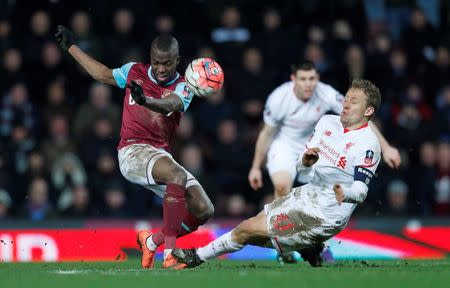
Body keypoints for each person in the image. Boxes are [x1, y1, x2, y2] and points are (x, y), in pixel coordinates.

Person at [169, 79, 383, 269]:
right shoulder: (327, 122)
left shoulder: (368, 144)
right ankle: (309, 249)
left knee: (246, 230)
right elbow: (302, 170)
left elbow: (361, 191)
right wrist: (306, 162)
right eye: (346, 98)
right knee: (251, 229)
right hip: (305, 195)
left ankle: (195, 256)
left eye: (354, 102)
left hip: (325, 215)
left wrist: (344, 192)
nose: (345, 104)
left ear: (368, 111)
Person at [55, 25, 214, 269]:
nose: (161, 69)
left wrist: (145, 100)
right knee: (176, 174)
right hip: (132, 152)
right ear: (150, 58)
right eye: (157, 62)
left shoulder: (184, 86)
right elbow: (102, 74)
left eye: (168, 63)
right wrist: (71, 47)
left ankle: (152, 242)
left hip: (159, 154)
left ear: (178, 60)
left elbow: (169, 103)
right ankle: (170, 253)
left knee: (204, 209)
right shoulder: (133, 71)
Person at [248, 61, 400, 263]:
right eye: (303, 79)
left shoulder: (326, 93)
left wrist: (386, 146)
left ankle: (315, 244)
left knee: (322, 190)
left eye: (312, 79)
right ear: (294, 80)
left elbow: (362, 119)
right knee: (282, 185)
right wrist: (256, 167)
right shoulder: (278, 98)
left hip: (318, 143)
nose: (308, 84)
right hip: (284, 145)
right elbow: (266, 133)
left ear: (317, 79)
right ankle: (284, 249)